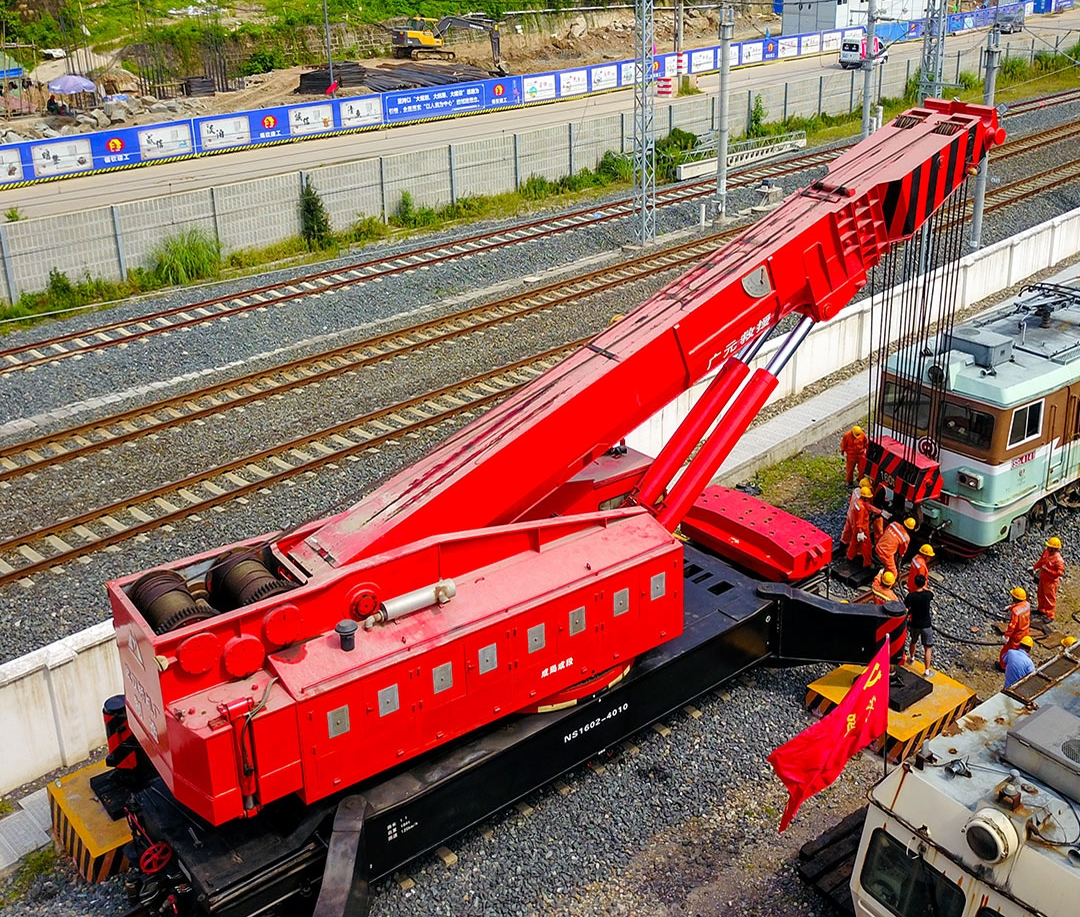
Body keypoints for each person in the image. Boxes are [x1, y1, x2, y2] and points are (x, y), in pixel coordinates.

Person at [904, 573, 935, 678]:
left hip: (915, 624)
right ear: (924, 583)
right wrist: (926, 588)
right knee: (927, 648)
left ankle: (911, 658)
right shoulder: (927, 595)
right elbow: (932, 593)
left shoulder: (911, 596)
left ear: (915, 583)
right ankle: (926, 671)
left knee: (913, 641)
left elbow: (906, 609)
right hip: (926, 624)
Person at [1032, 536, 1065, 621]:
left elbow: (1059, 573)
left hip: (1051, 582)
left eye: (1050, 547)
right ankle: (1041, 610)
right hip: (1043, 578)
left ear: (1055, 549)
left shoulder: (1058, 560)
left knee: (1050, 598)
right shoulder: (1046, 552)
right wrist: (1034, 567)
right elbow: (1041, 561)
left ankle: (1050, 616)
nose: (1048, 548)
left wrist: (1048, 571)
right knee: (1040, 594)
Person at [1000, 586, 1031, 671]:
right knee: (1020, 649)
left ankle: (1003, 667)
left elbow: (1012, 626)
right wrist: (1010, 607)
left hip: (1016, 635)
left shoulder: (1015, 612)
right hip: (1025, 632)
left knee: (1006, 652)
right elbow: (1021, 607)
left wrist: (1006, 637)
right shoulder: (1027, 605)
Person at [845, 486, 875, 567]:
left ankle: (850, 557)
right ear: (865, 497)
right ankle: (867, 563)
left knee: (854, 542)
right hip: (862, 528)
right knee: (867, 546)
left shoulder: (858, 502)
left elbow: (868, 506)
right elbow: (860, 521)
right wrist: (861, 532)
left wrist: (880, 511)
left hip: (856, 527)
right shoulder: (861, 508)